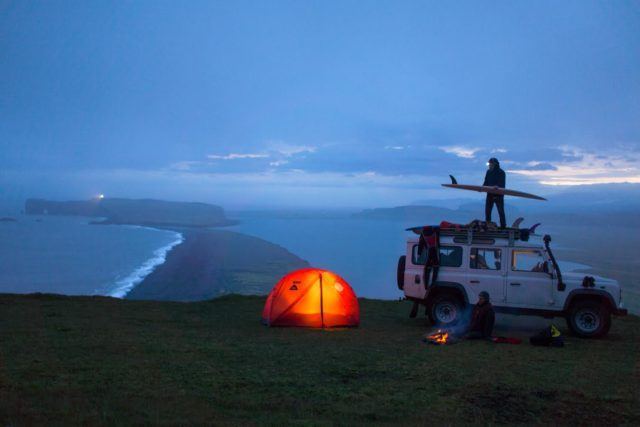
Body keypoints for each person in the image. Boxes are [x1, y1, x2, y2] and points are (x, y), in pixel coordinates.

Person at [483, 157, 507, 228]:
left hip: (498, 195)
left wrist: (497, 187)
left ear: (494, 164)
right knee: (487, 211)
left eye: (490, 164)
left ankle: (503, 226)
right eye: (489, 164)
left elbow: (502, 184)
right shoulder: (488, 172)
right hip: (490, 194)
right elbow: (486, 182)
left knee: (501, 211)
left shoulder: (501, 172)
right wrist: (482, 188)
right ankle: (488, 225)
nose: (489, 165)